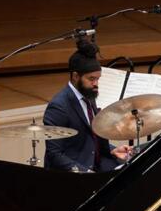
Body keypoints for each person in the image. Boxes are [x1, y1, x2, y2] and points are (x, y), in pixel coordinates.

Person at [43, 37, 132, 172]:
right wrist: (85, 172)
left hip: (95, 162)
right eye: (91, 79)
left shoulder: (89, 94)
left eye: (97, 79)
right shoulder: (59, 107)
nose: (96, 84)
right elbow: (54, 154)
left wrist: (113, 150)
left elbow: (92, 139)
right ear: (75, 77)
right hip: (74, 170)